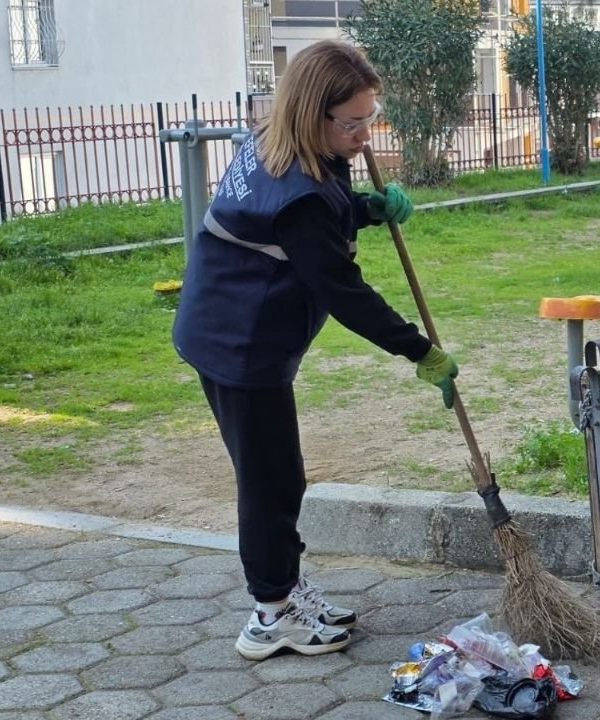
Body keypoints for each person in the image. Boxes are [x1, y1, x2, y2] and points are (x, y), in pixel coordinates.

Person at [172, 40, 459, 661]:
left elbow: (310, 216)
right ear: (313, 114)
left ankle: (284, 587)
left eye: (369, 119)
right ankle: (271, 614)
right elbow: (343, 290)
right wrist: (419, 351)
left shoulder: (278, 143)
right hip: (239, 343)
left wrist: (363, 209)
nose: (364, 134)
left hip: (226, 325)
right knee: (272, 480)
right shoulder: (299, 187)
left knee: (276, 475)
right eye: (352, 123)